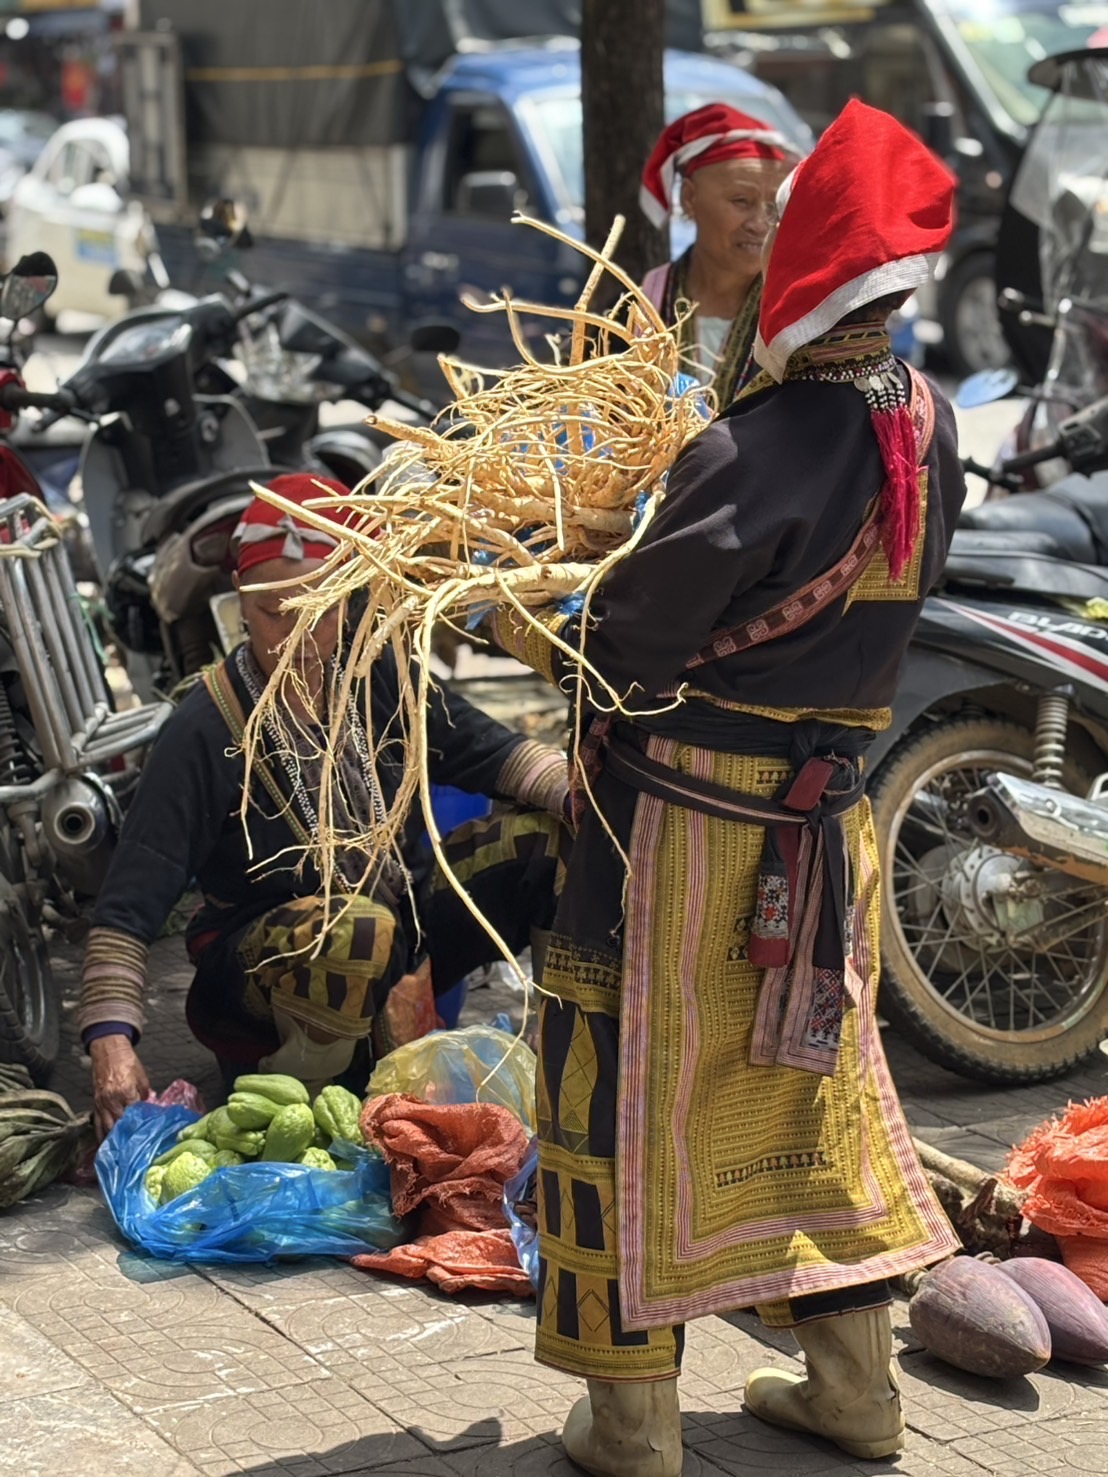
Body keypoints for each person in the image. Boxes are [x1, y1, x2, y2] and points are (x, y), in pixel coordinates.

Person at [489, 101, 966, 1476]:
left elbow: (625, 640)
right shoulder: (927, 426)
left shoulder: (758, 443)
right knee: (813, 1095)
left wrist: (516, 605)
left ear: (801, 278)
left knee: (615, 1091)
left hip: (682, 834)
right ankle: (858, 1389)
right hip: (829, 831)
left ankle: (634, 1422)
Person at [81, 474, 570, 1140]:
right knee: (357, 929)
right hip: (268, 977)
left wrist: (590, 798)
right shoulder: (206, 727)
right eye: (274, 611)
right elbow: (128, 902)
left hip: (391, 933)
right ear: (242, 605)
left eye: (321, 609)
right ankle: (308, 1113)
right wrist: (111, 1044)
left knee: (550, 839)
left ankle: (561, 1065)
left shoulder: (376, 673)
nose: (296, 635)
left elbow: (496, 753)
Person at [639, 102, 802, 406]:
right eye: (741, 201)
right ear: (690, 198)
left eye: (773, 208)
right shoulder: (642, 306)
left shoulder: (799, 320)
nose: (759, 224)